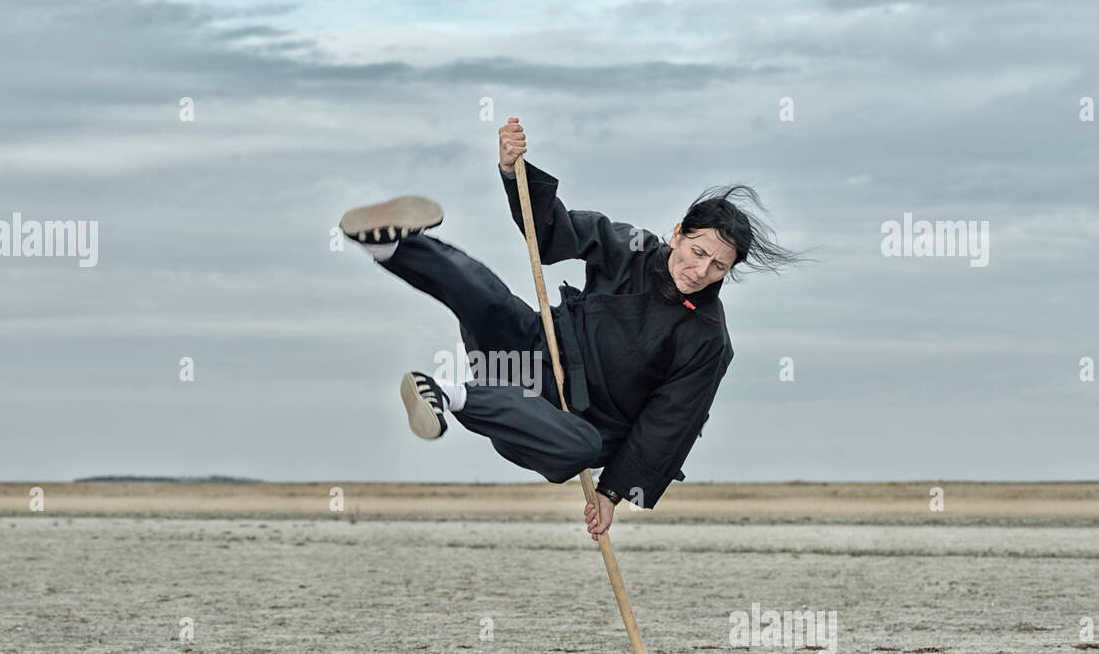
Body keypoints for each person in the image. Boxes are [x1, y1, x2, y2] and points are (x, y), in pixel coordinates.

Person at [338, 117, 803, 540]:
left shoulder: (707, 340)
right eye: (697, 252)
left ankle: (443, 393)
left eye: (719, 267)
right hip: (534, 350)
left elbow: (669, 424)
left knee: (581, 445)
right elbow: (553, 233)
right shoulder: (633, 247)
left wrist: (613, 492)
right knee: (491, 301)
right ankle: (390, 247)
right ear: (679, 232)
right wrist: (512, 172)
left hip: (563, 424)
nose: (701, 271)